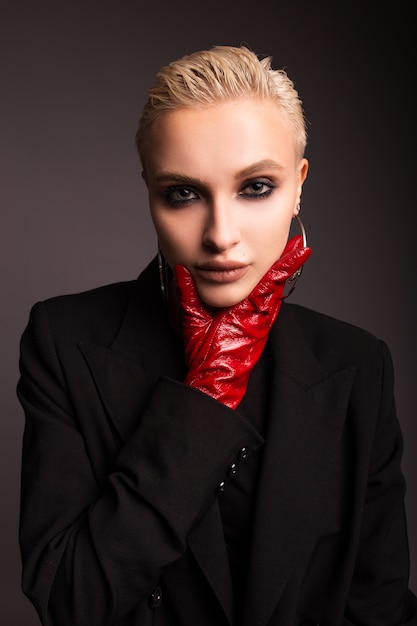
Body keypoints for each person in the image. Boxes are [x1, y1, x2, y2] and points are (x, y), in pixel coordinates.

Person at [17, 45, 417, 626]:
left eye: (255, 187)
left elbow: (379, 607)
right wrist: (209, 391)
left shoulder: (358, 364)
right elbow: (71, 599)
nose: (220, 235)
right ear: (148, 190)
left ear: (299, 184)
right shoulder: (64, 341)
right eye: (182, 193)